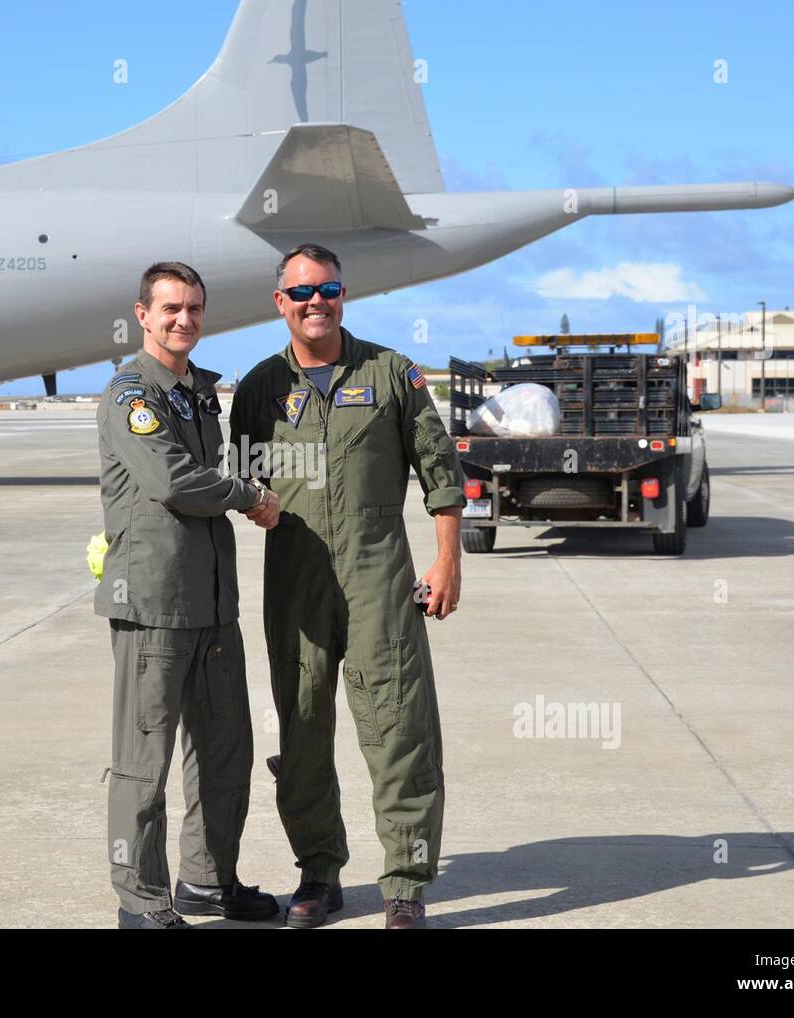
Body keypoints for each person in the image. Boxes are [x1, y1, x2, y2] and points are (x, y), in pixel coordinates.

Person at [229, 243, 466, 929]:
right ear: (281, 303)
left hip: (379, 580)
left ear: (342, 296)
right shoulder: (257, 389)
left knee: (399, 732)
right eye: (300, 292)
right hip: (295, 583)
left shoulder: (391, 374)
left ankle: (405, 885)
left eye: (327, 290)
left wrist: (447, 560)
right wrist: (251, 502)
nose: (315, 303)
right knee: (302, 732)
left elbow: (440, 470)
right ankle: (318, 873)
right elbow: (242, 479)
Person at [95, 261, 281, 929]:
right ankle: (141, 903)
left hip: (212, 606)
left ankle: (207, 881)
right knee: (143, 765)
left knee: (225, 754)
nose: (185, 319)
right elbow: (174, 480)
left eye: (195, 308)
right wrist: (250, 495)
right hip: (152, 605)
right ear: (143, 314)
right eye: (171, 308)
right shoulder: (130, 396)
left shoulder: (199, 393)